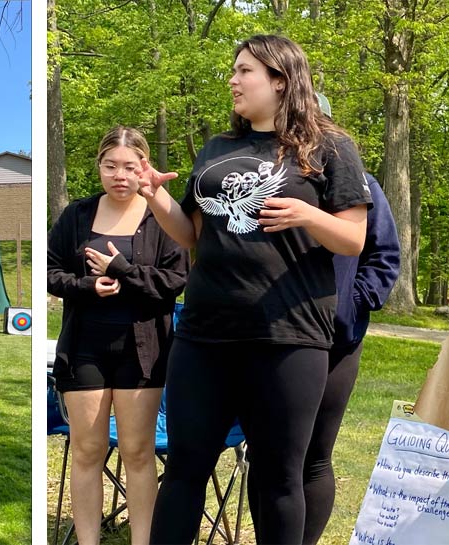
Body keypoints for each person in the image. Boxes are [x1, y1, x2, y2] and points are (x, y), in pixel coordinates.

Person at [136, 34, 373, 544]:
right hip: (203, 336)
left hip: (287, 338)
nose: (233, 80)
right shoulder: (219, 147)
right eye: (234, 70)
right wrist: (155, 196)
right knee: (182, 471)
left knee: (279, 479)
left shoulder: (331, 147)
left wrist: (308, 214)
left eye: (245, 70)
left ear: (281, 80)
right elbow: (193, 234)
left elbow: (354, 239)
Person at [47, 125, 190, 545]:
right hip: (84, 348)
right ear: (99, 167)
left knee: (138, 453)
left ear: (144, 168)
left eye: (130, 166)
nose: (120, 175)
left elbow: (174, 280)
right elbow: (52, 272)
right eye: (110, 166)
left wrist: (121, 273)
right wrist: (86, 286)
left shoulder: (162, 215)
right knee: (87, 451)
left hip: (143, 352)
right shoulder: (77, 214)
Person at [301, 95, 403, 544]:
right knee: (274, 458)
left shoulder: (358, 181)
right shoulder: (265, 178)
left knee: (315, 457)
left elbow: (383, 255)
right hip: (272, 338)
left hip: (336, 341)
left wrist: (351, 303)